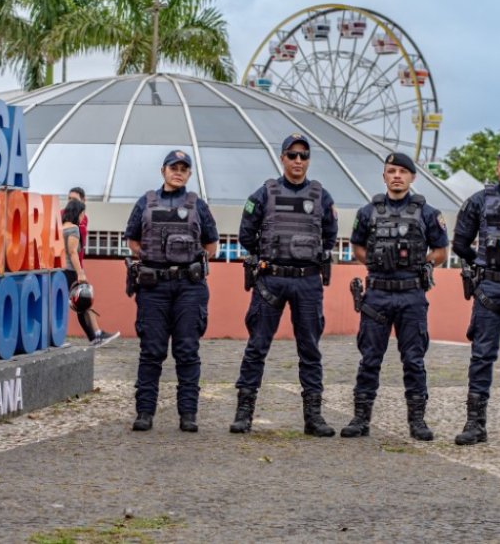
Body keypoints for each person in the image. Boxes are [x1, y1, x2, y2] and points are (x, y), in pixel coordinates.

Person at [231, 133, 338, 437]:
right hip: (271, 280)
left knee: (310, 350)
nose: (298, 161)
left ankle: (313, 417)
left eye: (304, 156)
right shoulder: (264, 194)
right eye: (292, 155)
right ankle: (244, 414)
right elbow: (245, 235)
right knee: (257, 347)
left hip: (307, 280)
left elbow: (329, 237)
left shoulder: (322, 196)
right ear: (282, 158)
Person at [341, 152, 448, 441]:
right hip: (377, 294)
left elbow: (441, 252)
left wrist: (422, 265)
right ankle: (360, 419)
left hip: (411, 294)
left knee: (414, 360)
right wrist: (376, 263)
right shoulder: (368, 211)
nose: (397, 176)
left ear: (412, 177)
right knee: (370, 358)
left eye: (403, 171)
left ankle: (417, 422)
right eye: (391, 171)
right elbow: (357, 247)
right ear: (384, 176)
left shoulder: (427, 212)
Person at [124, 150, 218, 432]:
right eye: (173, 167)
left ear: (189, 174)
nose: (178, 172)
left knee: (187, 351)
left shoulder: (198, 205)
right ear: (163, 170)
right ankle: (144, 413)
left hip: (189, 287)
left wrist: (184, 260)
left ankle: (188, 414)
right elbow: (132, 239)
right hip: (154, 287)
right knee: (151, 351)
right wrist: (157, 260)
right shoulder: (146, 202)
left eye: (184, 168)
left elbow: (211, 246)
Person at [452, 146, 500, 445]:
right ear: (497, 168)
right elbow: (460, 243)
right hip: (489, 287)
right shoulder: (479, 201)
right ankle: (475, 425)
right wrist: (481, 263)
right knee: (482, 355)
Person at [62, 199, 119, 346]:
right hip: (70, 271)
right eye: (83, 214)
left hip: (59, 271)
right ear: (78, 213)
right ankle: (95, 336)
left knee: (75, 306)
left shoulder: (60, 228)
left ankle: (94, 336)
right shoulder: (73, 229)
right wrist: (80, 273)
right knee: (83, 303)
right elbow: (73, 252)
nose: (83, 217)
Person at [67, 187, 89, 265]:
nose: (71, 202)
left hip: (77, 264)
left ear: (83, 200)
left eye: (74, 199)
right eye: (69, 198)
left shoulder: (84, 218)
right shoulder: (60, 214)